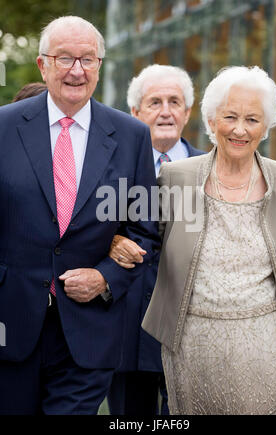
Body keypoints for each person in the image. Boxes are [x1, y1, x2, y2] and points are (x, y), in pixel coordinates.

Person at [0, 16, 159, 415]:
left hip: (90, 332)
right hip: (10, 323)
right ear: (43, 65)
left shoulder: (131, 135)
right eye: (65, 58)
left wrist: (106, 276)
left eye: (87, 59)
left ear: (100, 65)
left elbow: (144, 229)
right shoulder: (3, 127)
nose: (76, 70)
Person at [119, 65, 276, 415]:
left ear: (266, 127)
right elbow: (139, 231)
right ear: (211, 119)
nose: (239, 129)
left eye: (252, 119)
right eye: (230, 116)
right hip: (190, 342)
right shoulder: (177, 178)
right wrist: (114, 242)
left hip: (267, 344)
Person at [107, 64, 205, 415]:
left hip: (191, 331)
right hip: (127, 328)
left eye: (175, 101)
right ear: (135, 112)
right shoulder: (111, 168)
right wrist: (111, 241)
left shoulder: (213, 170)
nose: (166, 111)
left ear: (188, 112)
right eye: (155, 102)